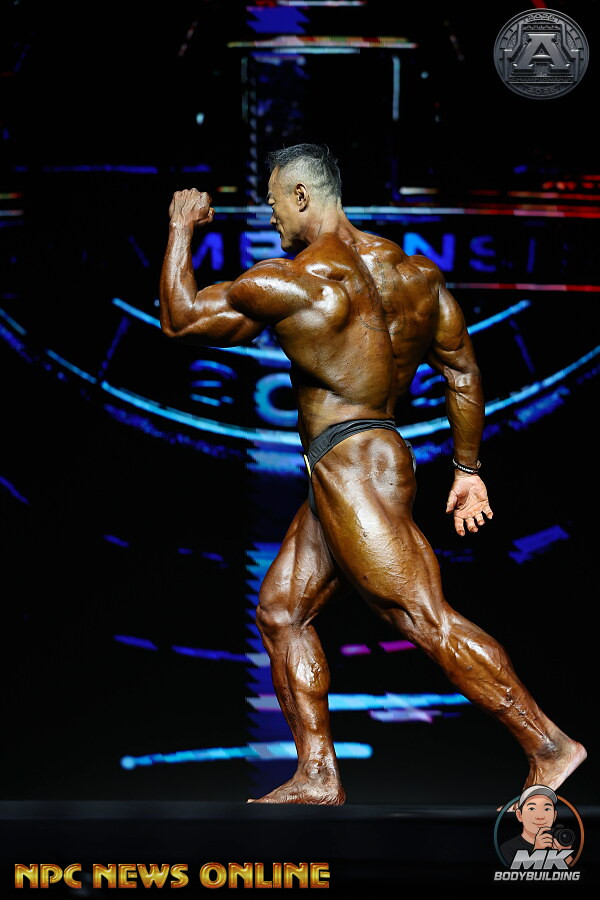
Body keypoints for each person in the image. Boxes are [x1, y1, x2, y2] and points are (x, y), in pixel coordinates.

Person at [159, 143, 586, 805]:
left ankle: (548, 744)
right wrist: (467, 469)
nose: (272, 218)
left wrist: (181, 228)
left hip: (351, 467)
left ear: (301, 195)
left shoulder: (294, 280)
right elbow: (462, 370)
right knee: (281, 611)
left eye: (274, 204)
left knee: (423, 617)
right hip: (371, 458)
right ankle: (318, 774)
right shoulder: (415, 274)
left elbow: (181, 320)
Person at [500, 785, 575, 866]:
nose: (540, 816)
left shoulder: (560, 842)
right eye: (532, 809)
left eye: (547, 809)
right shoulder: (508, 848)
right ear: (519, 815)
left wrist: (565, 855)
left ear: (554, 815)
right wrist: (537, 851)